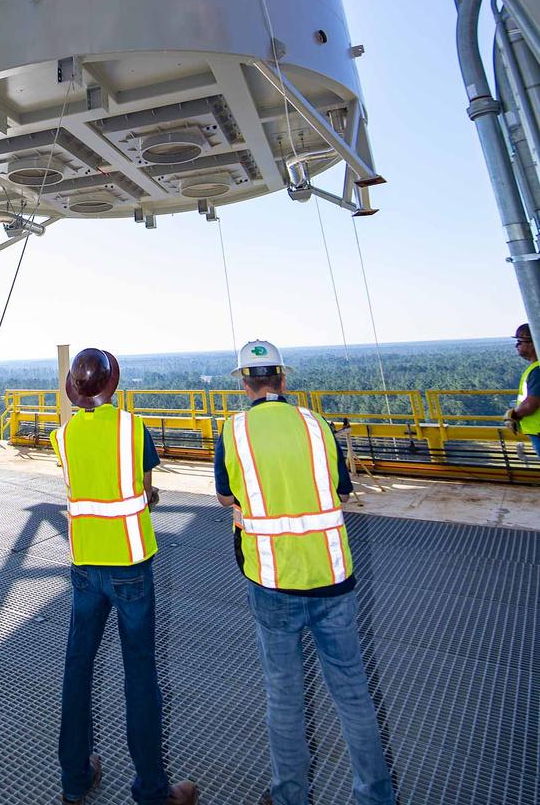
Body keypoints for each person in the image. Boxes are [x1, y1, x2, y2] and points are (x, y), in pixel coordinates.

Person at [215, 339, 395, 805]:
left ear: (243, 382)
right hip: (331, 573)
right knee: (353, 691)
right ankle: (376, 797)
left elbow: (226, 497)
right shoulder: (317, 425)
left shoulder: (233, 432)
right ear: (283, 378)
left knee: (283, 697)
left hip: (272, 579)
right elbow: (341, 489)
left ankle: (289, 795)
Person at [50, 347, 198, 805]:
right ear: (113, 386)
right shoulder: (133, 429)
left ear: (75, 391)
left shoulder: (64, 435)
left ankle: (75, 777)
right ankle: (153, 790)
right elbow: (144, 488)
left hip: (85, 565)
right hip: (130, 565)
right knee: (140, 673)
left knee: (77, 667)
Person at [506, 323, 540, 457]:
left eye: (520, 341)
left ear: (533, 343)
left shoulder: (537, 370)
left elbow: (531, 403)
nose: (517, 345)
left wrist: (513, 415)